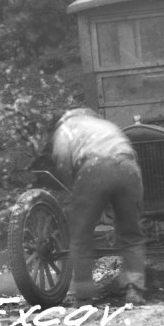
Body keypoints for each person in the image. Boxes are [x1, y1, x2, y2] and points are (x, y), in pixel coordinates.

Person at [43, 108, 145, 305]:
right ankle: (134, 290)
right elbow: (129, 151)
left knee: (81, 237)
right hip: (128, 168)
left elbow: (63, 161)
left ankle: (85, 297)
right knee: (131, 234)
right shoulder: (106, 125)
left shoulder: (66, 129)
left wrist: (76, 190)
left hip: (94, 168)